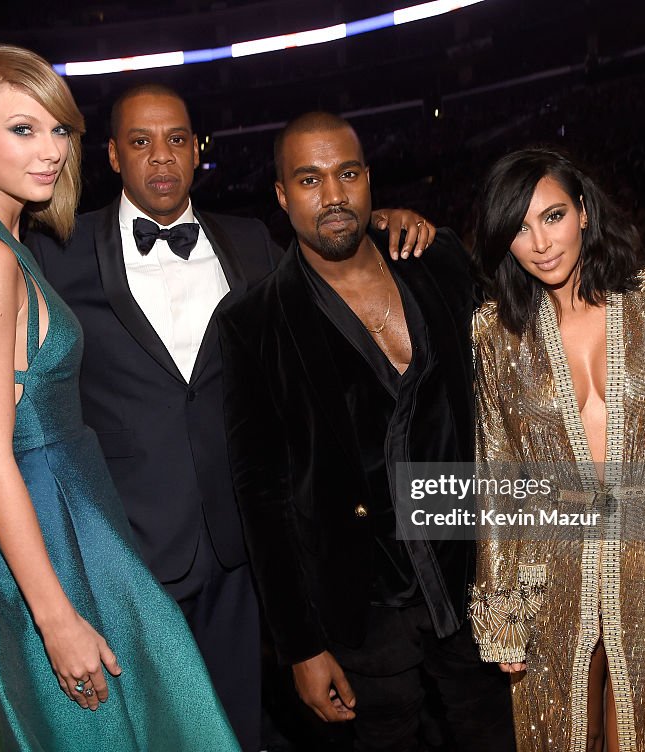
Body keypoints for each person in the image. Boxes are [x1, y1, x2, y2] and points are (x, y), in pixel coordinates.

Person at [0, 81, 432, 750]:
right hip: (111, 546)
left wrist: (379, 224)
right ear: (111, 155)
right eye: (140, 142)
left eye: (176, 141)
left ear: (198, 152)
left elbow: (328, 280)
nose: (161, 157)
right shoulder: (50, 249)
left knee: (226, 730)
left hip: (236, 554)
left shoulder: (253, 243)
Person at [0, 44, 238, 751]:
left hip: (65, 517)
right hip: (45, 528)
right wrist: (55, 618)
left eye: (57, 129)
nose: (50, 150)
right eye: (22, 130)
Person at [219, 112, 514, 751]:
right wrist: (300, 645)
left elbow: (510, 388)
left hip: (473, 571)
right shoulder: (253, 322)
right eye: (309, 179)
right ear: (281, 195)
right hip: (360, 601)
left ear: (369, 179)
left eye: (347, 173)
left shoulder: (436, 258)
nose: (333, 195)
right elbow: (261, 497)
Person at [469, 147, 645, 752]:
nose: (540, 242)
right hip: (553, 582)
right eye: (518, 227)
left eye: (553, 216)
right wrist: (502, 609)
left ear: (585, 211)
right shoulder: (498, 335)